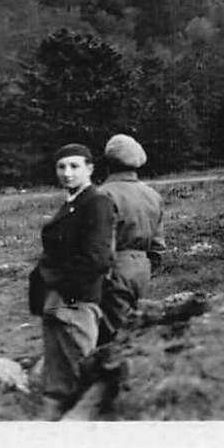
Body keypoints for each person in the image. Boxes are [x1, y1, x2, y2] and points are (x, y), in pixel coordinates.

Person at [28, 143, 115, 417]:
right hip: (57, 299)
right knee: (57, 369)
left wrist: (62, 286)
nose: (67, 173)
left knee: (79, 363)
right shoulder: (73, 203)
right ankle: (55, 414)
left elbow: (97, 258)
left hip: (76, 299)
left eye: (75, 166)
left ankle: (83, 421)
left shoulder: (96, 202)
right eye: (61, 167)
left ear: (90, 169)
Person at [95, 133, 166, 339]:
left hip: (115, 268)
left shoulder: (103, 194)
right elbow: (158, 246)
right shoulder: (152, 195)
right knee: (136, 327)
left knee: (114, 335)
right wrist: (145, 267)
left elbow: (102, 242)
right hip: (142, 269)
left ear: (108, 163)